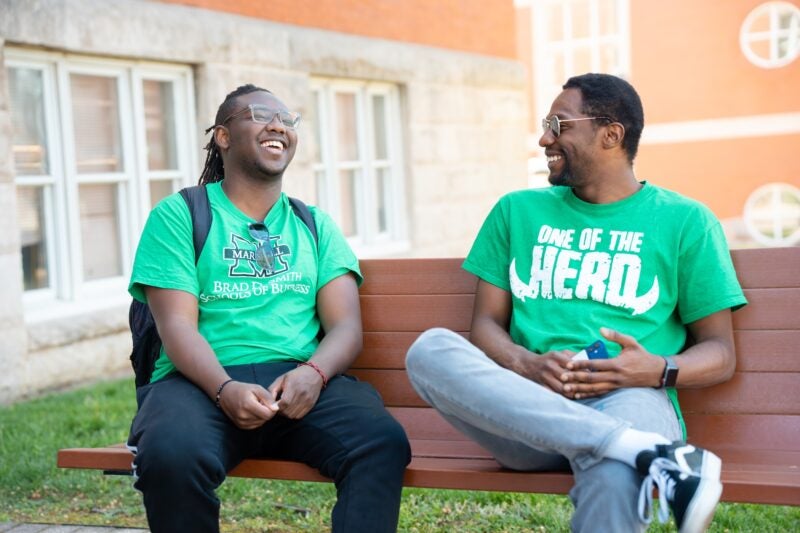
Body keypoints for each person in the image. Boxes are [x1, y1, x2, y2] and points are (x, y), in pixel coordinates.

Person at [405, 73, 747, 533]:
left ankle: (629, 449)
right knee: (429, 350)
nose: (545, 138)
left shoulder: (686, 221)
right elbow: (485, 326)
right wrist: (526, 364)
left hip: (632, 398)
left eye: (559, 124)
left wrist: (654, 369)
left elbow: (720, 354)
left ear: (611, 134)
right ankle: (648, 454)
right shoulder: (516, 210)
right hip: (525, 410)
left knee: (614, 472)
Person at [126, 84, 410, 533]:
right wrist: (223, 389)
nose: (279, 125)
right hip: (201, 383)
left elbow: (345, 328)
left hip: (299, 383)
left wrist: (313, 376)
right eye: (260, 115)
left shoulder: (314, 224)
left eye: (288, 120)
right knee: (171, 453)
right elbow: (177, 326)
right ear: (223, 136)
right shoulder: (180, 214)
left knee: (379, 442)